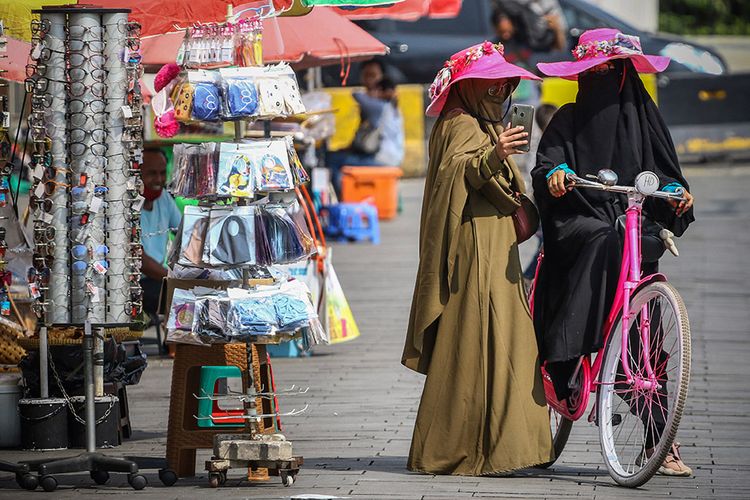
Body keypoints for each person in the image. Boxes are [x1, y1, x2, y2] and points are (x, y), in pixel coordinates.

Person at [531, 28, 695, 476]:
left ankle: (661, 441)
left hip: (633, 219)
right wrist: (557, 175)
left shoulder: (647, 121)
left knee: (647, 340)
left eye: (610, 70)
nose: (601, 78)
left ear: (624, 74)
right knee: (603, 237)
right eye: (593, 72)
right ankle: (566, 357)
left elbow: (667, 175)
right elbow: (546, 165)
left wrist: (679, 194)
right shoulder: (566, 118)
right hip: (581, 218)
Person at [403, 41, 554, 476]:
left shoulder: (482, 122)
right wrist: (496, 154)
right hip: (472, 246)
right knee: (476, 338)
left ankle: (505, 444)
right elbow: (457, 172)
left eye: (506, 84)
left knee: (502, 338)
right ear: (470, 86)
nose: (502, 90)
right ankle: (465, 447)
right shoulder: (459, 122)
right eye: (493, 83)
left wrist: (499, 154)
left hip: (495, 244)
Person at [327, 72, 405, 193]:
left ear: (380, 90)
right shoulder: (394, 109)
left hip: (382, 159)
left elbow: (356, 94)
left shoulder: (379, 106)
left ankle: (342, 197)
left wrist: (371, 93)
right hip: (394, 158)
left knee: (334, 159)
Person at [140, 148, 182, 318]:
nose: (158, 179)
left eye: (162, 173)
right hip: (139, 282)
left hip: (159, 278)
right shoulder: (126, 203)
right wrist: (174, 280)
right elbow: (141, 262)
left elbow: (184, 233)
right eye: (151, 173)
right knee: (180, 298)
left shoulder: (163, 197)